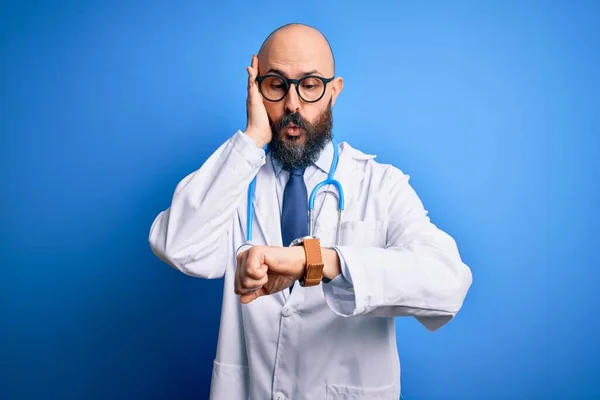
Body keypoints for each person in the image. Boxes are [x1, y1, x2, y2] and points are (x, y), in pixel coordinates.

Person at [149, 23, 473, 400]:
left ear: (333, 92)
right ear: (256, 90)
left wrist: (314, 261)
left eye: (310, 84)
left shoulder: (379, 185)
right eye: (276, 84)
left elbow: (448, 284)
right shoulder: (234, 180)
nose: (292, 104)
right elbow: (176, 245)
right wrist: (252, 137)